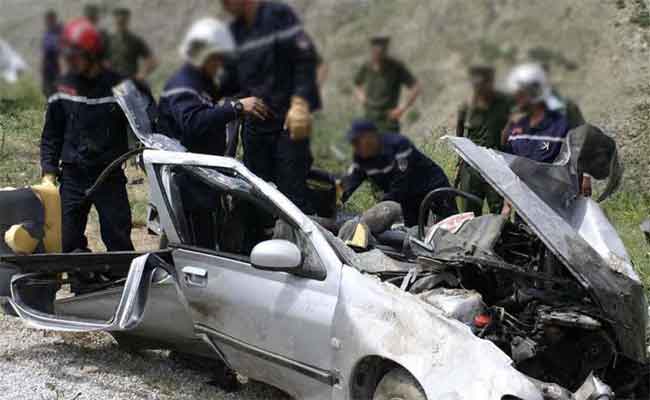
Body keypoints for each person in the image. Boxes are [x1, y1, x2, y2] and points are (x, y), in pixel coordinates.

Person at [157, 17, 270, 248]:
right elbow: (193, 122)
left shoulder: (200, 81)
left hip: (201, 180)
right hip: (189, 185)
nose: (220, 64)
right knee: (200, 249)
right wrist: (237, 107)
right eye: (217, 58)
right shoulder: (183, 85)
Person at [40, 17, 133, 253]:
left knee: (118, 239)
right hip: (73, 176)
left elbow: (143, 123)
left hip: (108, 175)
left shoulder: (120, 86)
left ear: (93, 55)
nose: (69, 62)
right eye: (67, 56)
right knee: (67, 239)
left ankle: (121, 283)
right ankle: (83, 283)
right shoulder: (61, 86)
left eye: (75, 56)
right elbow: (52, 132)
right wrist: (49, 171)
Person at [219, 0, 320, 214]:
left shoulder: (279, 16)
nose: (224, 5)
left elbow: (305, 60)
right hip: (255, 126)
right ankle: (258, 245)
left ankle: (304, 245)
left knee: (292, 197)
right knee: (256, 194)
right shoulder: (234, 32)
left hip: (288, 124)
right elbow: (229, 81)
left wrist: (300, 103)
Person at [340, 119, 457, 228]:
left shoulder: (399, 145)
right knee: (414, 234)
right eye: (353, 143)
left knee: (452, 224)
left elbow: (402, 182)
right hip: (409, 197)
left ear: (371, 137)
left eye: (356, 142)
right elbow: (350, 182)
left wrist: (379, 209)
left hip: (432, 185)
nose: (355, 147)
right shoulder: (361, 158)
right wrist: (336, 201)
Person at [455, 65, 511, 215]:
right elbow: (459, 135)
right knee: (469, 213)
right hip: (471, 165)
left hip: (495, 163)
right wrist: (459, 162)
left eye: (484, 84)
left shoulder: (504, 103)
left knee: (498, 213)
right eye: (476, 85)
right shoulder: (466, 107)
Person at [354, 36, 421, 133]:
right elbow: (357, 84)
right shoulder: (366, 67)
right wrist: (362, 97)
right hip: (369, 118)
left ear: (385, 51)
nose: (377, 55)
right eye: (375, 52)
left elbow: (415, 87)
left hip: (388, 120)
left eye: (380, 52)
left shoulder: (396, 67)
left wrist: (402, 108)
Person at [108, 7, 157, 81]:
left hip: (127, 81)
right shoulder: (108, 39)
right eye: (118, 22)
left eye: (123, 21)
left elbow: (152, 61)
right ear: (115, 21)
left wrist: (142, 75)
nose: (120, 23)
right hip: (110, 81)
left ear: (127, 21)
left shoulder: (135, 40)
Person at [41, 10, 62, 97]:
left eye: (50, 20)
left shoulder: (58, 31)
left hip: (54, 62)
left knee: (54, 88)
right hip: (48, 64)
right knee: (47, 88)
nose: (47, 22)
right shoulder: (48, 32)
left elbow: (56, 48)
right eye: (47, 20)